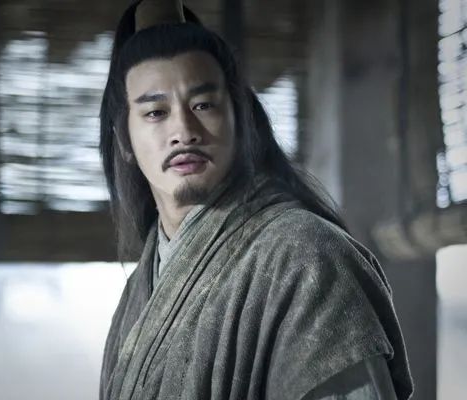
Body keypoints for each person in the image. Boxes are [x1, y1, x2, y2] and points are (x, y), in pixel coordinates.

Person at [98, 1, 413, 399]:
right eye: (156, 112)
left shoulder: (307, 257)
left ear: (240, 119)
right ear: (125, 141)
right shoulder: (138, 292)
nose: (184, 131)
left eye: (203, 105)